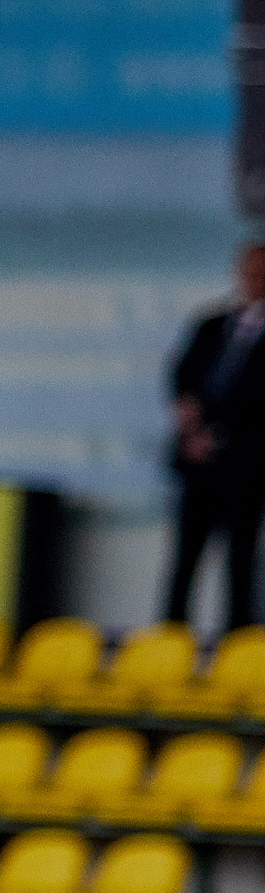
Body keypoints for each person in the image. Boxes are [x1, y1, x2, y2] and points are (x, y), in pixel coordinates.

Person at [164, 242, 265, 632]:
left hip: (247, 462)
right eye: (249, 270)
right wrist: (191, 422)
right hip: (197, 460)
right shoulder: (212, 324)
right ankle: (170, 637)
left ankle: (237, 641)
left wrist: (221, 432)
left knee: (240, 558)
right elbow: (182, 375)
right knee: (185, 555)